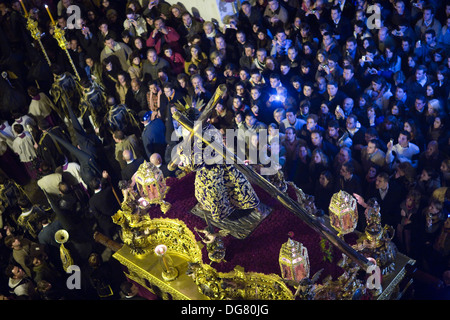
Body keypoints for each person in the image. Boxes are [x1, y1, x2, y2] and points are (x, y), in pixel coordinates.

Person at [88, 171, 121, 240]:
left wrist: (108, 219)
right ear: (100, 184)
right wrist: (104, 178)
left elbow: (97, 215)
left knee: (110, 239)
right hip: (117, 216)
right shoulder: (108, 190)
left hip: (107, 223)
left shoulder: (92, 201)